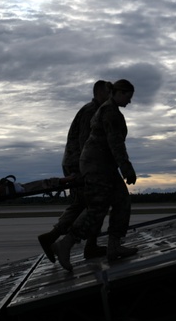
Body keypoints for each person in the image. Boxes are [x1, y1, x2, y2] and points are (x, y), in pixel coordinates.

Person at [52, 79, 139, 271]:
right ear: (118, 93)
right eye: (128, 96)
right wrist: (127, 168)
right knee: (97, 207)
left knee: (122, 201)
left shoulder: (109, 110)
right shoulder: (109, 112)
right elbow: (115, 143)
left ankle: (114, 246)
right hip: (96, 166)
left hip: (102, 165)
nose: (130, 101)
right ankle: (65, 244)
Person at [37, 80, 112, 262]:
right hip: (79, 165)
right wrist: (87, 169)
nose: (111, 96)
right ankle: (69, 241)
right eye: (109, 92)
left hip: (77, 163)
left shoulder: (94, 110)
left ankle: (54, 238)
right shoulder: (91, 111)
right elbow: (85, 142)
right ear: (100, 93)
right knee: (94, 203)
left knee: (83, 204)